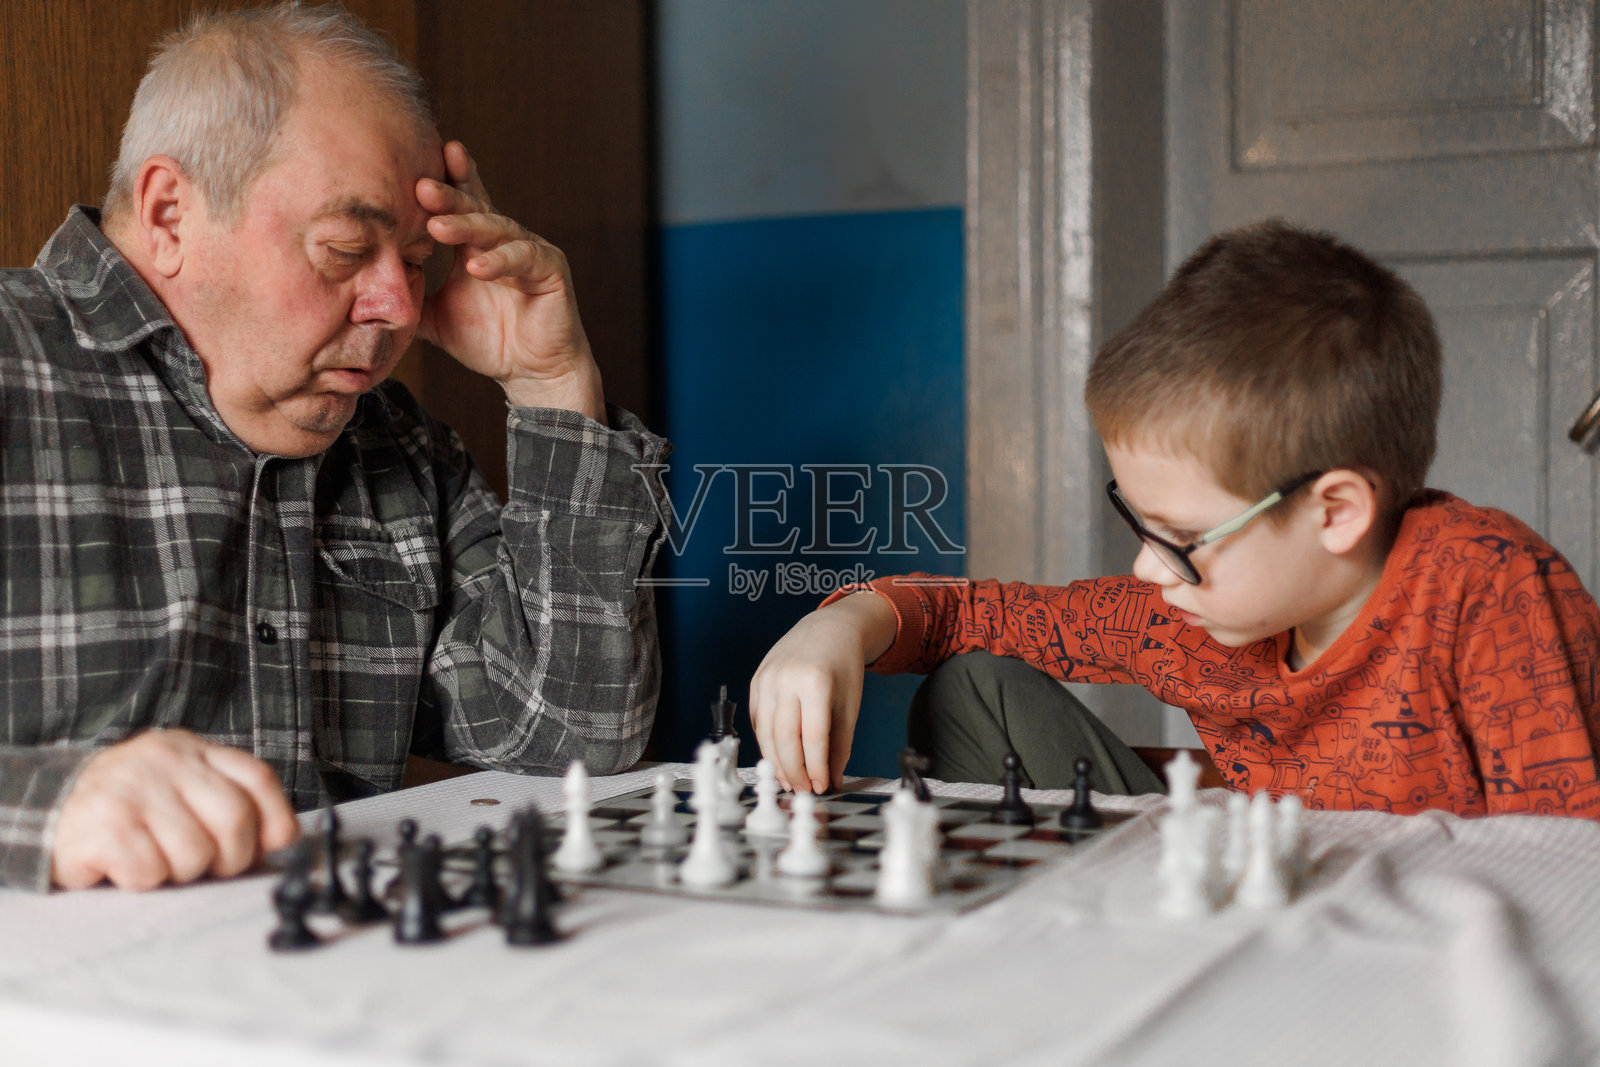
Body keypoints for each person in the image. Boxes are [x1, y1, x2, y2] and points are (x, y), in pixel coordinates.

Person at [0, 5, 668, 892]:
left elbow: (573, 735)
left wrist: (552, 384)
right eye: (346, 248)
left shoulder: (399, 445)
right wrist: (47, 806)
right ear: (169, 213)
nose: (397, 304)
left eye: (417, 259)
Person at [751, 220, 1600, 819]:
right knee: (974, 685)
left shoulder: (1489, 589)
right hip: (1253, 879)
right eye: (1141, 525)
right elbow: (976, 614)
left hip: (1426, 935)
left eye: (1183, 540)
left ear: (1335, 510)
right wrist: (842, 625)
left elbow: (1564, 864)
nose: (1149, 572)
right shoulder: (1185, 611)